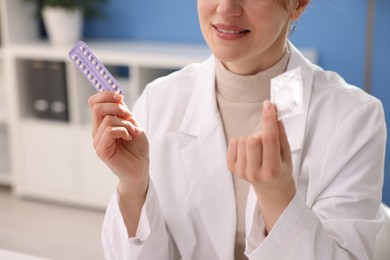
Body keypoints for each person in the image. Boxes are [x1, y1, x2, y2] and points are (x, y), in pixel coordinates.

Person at [88, 0, 387, 259]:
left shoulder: (355, 118)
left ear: (298, 3)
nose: (226, 8)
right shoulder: (159, 99)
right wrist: (133, 184)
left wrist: (278, 197)